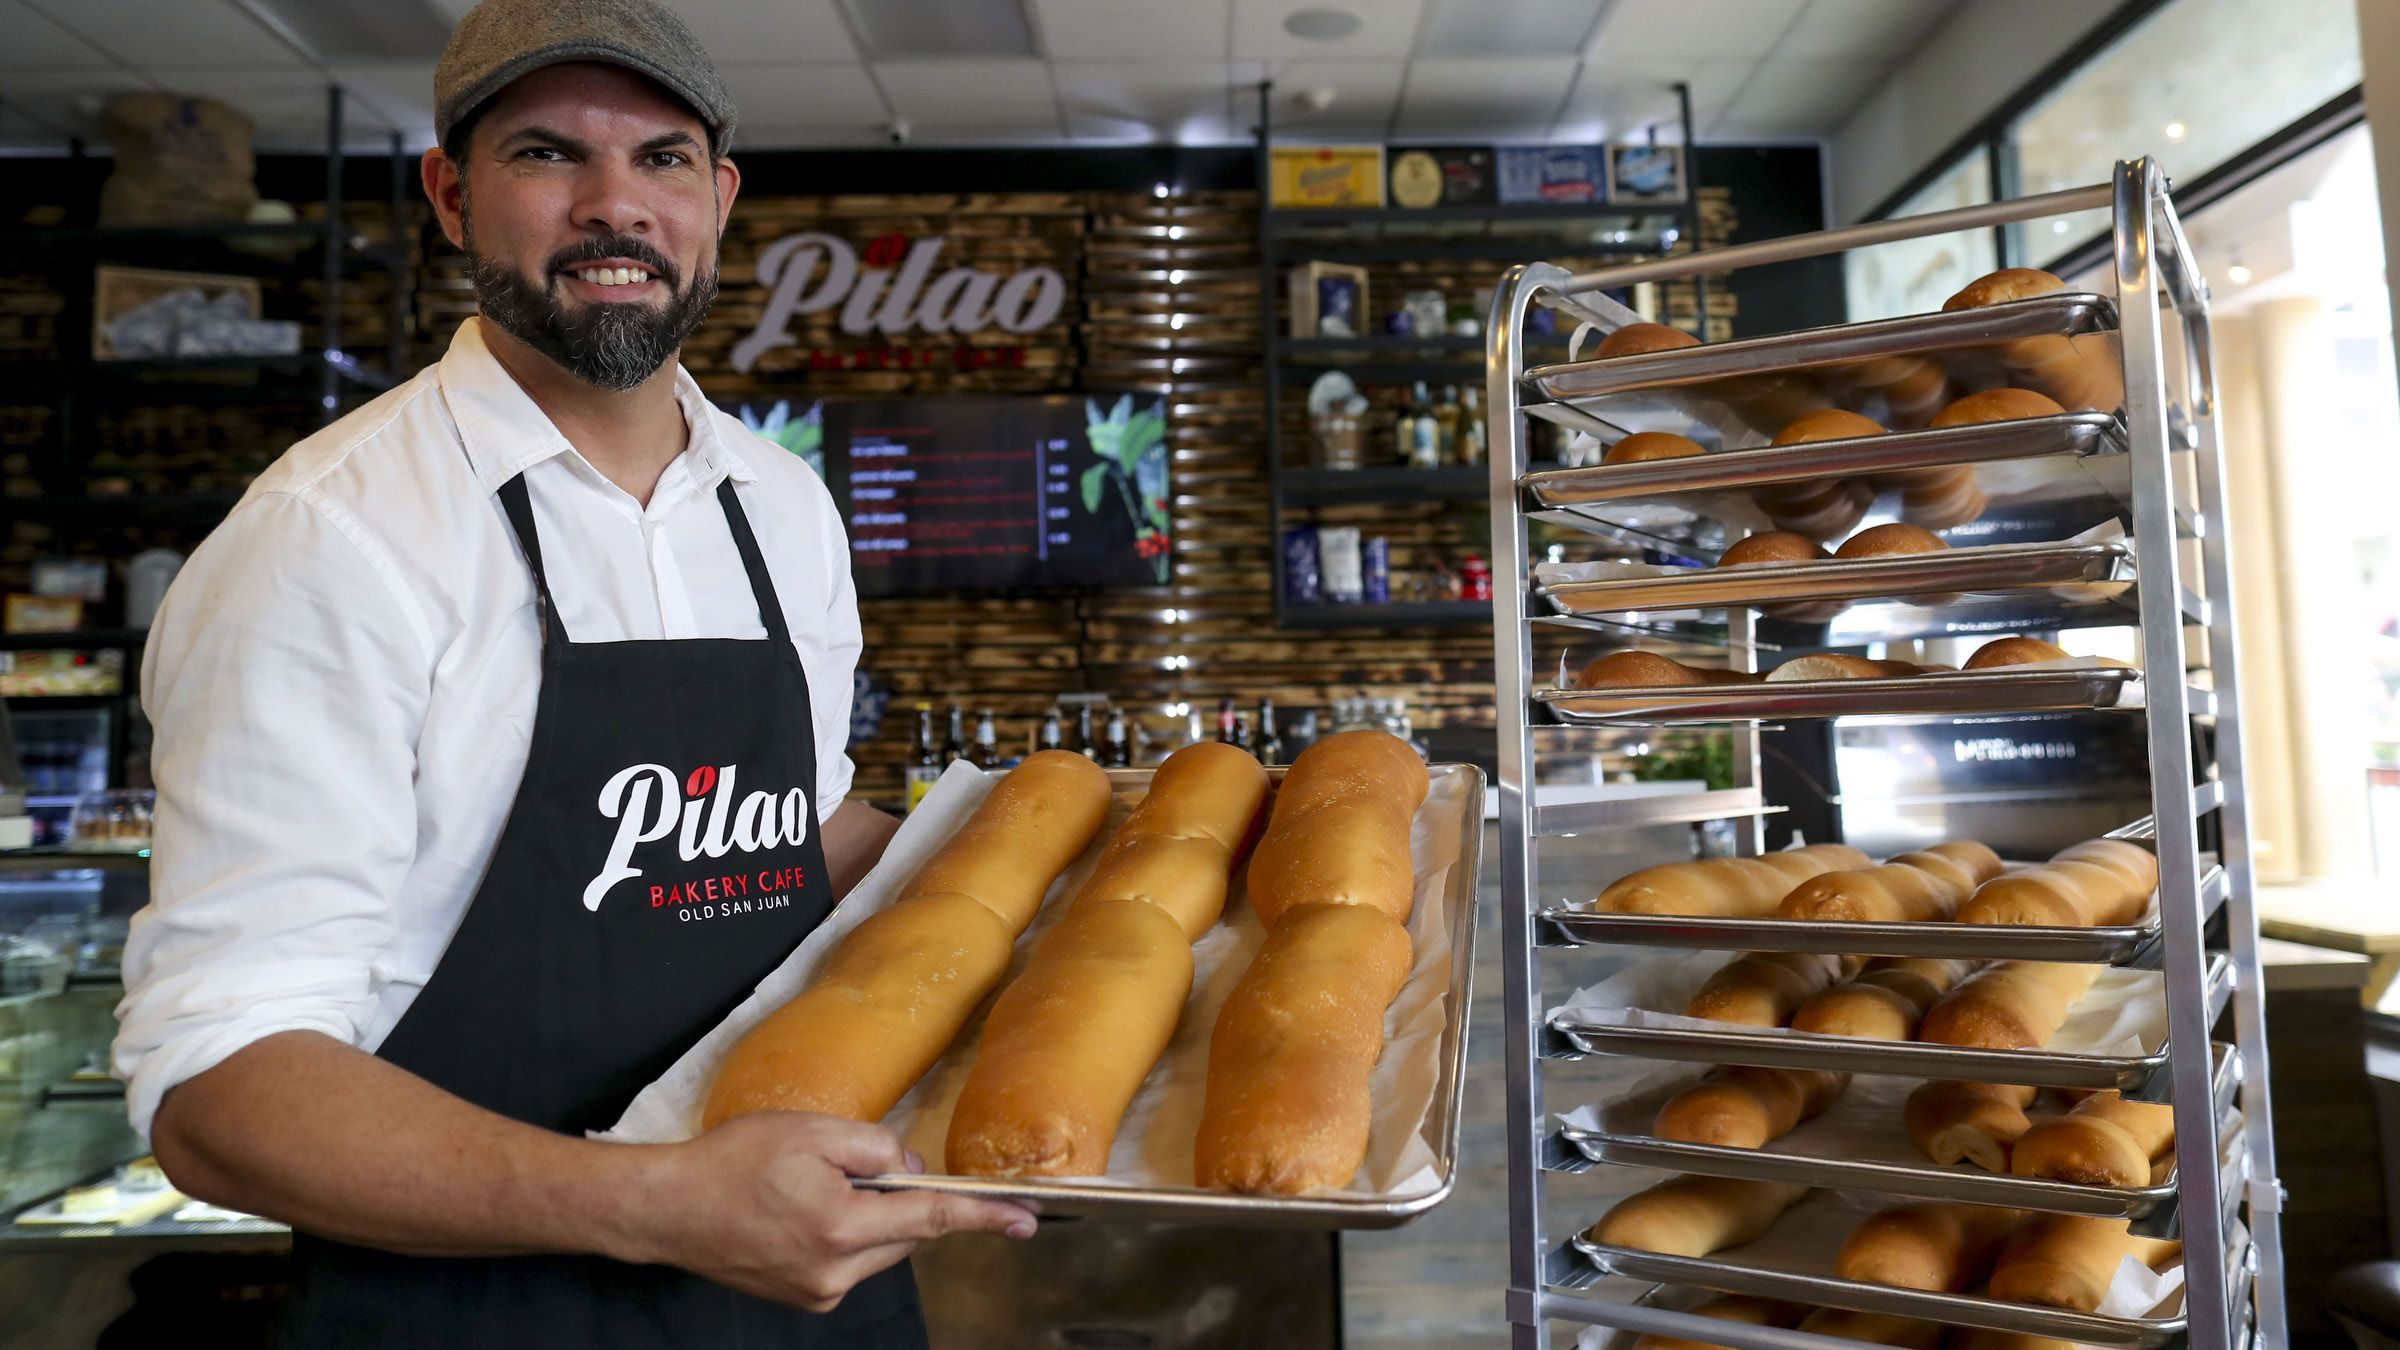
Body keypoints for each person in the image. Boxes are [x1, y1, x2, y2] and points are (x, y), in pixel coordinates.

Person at [110, 1, 1032, 1345]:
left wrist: (1057, 878)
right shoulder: (329, 544)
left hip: (816, 1292)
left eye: (662, 159)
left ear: (716, 199)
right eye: (548, 155)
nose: (617, 206)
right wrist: (655, 1199)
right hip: (471, 1310)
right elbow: (219, 1085)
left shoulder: (781, 506)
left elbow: (790, 830)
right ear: (450, 195)